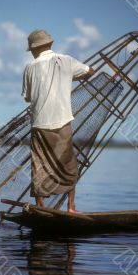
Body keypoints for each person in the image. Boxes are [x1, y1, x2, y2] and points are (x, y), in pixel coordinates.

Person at [22, 29, 94, 212]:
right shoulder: (66, 60)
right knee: (68, 163)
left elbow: (28, 97)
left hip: (39, 123)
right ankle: (71, 207)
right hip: (62, 121)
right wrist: (72, 76)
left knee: (39, 165)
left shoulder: (30, 67)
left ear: (34, 49)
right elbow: (89, 71)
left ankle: (40, 206)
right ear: (50, 45)